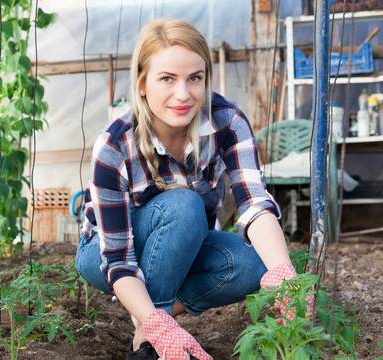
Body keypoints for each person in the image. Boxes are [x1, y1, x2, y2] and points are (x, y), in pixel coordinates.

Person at [75, 19, 303, 360]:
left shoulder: (227, 121)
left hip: (184, 242)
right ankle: (152, 334)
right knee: (183, 205)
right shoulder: (115, 143)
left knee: (256, 264)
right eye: (167, 78)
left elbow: (254, 203)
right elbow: (119, 260)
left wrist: (284, 273)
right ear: (141, 83)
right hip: (105, 253)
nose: (183, 94)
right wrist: (154, 320)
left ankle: (154, 321)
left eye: (194, 78)